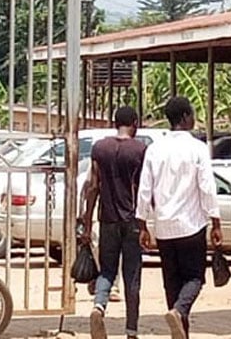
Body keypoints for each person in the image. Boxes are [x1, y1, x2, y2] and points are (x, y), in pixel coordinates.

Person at [136, 97, 222, 339]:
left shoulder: (155, 149)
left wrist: (142, 225)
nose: (194, 118)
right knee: (195, 278)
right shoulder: (197, 148)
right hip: (191, 226)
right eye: (192, 114)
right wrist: (215, 221)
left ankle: (180, 327)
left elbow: (144, 189)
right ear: (185, 117)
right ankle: (179, 311)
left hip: (164, 227)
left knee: (171, 283)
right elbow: (207, 187)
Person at [80, 106, 147, 339]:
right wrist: (145, 225)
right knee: (132, 276)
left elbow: (93, 187)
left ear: (114, 122)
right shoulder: (140, 150)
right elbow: (143, 189)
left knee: (107, 271)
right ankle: (131, 331)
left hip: (106, 219)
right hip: (132, 220)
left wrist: (87, 223)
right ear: (135, 123)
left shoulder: (100, 148)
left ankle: (99, 306)